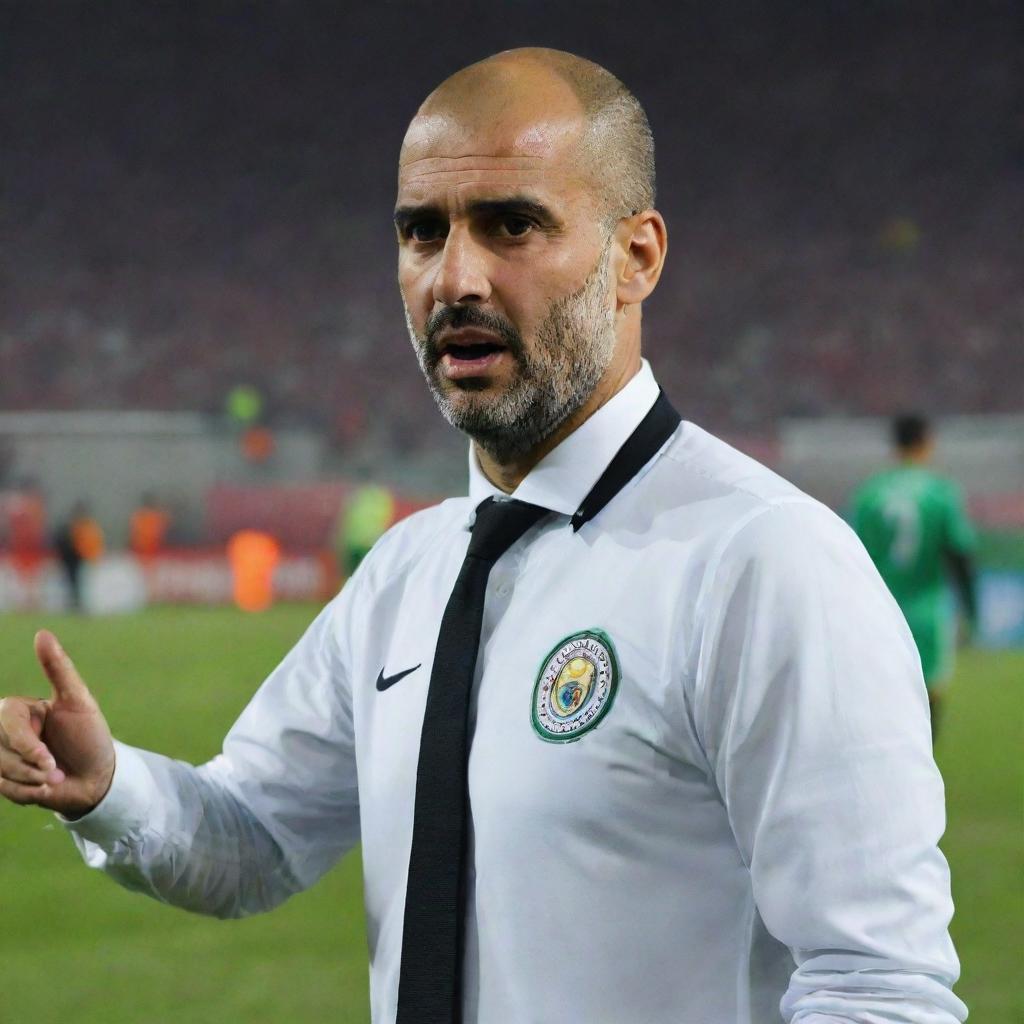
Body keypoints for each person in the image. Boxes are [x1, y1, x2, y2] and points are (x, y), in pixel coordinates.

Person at [0, 49, 966, 1024]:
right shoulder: (408, 574)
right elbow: (255, 834)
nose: (455, 277)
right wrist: (106, 784)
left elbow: (879, 988)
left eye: (512, 225)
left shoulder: (763, 565)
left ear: (637, 257)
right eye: (422, 233)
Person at [850, 414, 977, 740]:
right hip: (924, 614)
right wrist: (971, 612)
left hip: (876, 615)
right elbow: (960, 554)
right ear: (926, 442)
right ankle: (921, 786)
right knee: (926, 704)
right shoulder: (939, 492)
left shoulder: (869, 494)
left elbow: (851, 555)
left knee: (881, 707)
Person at [52, 500, 105, 610]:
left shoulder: (82, 526)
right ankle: (75, 604)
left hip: (80, 558)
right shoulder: (76, 526)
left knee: (78, 583)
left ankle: (78, 604)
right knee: (74, 583)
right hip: (73, 559)